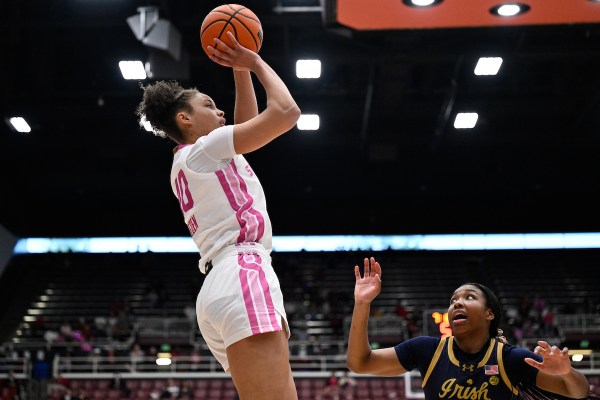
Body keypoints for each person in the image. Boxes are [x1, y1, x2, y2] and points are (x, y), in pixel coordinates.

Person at [135, 31, 300, 400]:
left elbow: (246, 121)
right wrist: (255, 62)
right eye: (209, 105)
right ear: (185, 119)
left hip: (217, 284)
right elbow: (287, 113)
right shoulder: (203, 150)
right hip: (241, 269)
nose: (220, 110)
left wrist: (239, 71)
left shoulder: (193, 158)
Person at [347, 257, 591, 400]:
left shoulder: (511, 359)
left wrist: (566, 372)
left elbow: (579, 392)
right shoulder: (426, 350)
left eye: (469, 297)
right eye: (453, 300)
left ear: (489, 313)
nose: (458, 303)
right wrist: (362, 303)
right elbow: (360, 363)